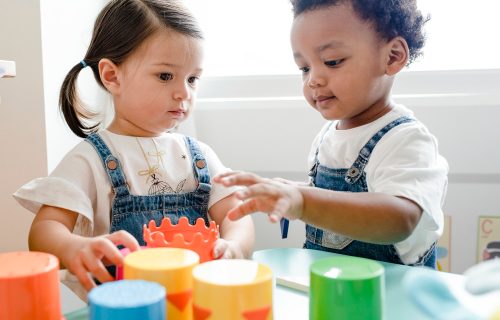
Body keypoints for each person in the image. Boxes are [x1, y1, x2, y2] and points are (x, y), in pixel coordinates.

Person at [13, 0, 254, 298]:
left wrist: (235, 246)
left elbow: (235, 214)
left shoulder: (200, 155)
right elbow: (45, 230)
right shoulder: (91, 158)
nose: (184, 93)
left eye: (192, 79)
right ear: (112, 76)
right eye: (165, 76)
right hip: (125, 307)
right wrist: (74, 247)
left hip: (196, 304)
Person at [215, 0, 447, 268]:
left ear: (392, 56)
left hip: (392, 297)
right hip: (335, 289)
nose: (313, 79)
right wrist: (291, 192)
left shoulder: (406, 139)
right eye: (304, 68)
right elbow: (331, 199)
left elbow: (401, 218)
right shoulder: (327, 135)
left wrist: (303, 201)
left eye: (332, 61)